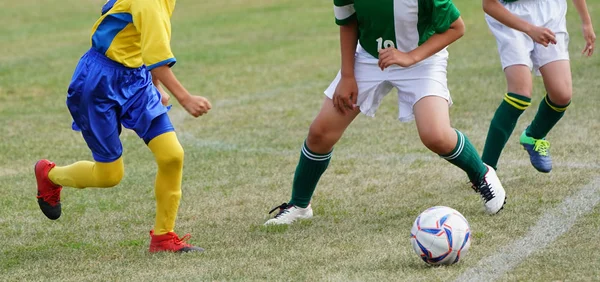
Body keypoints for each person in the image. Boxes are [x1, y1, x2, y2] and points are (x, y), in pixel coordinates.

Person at [265, 0, 507, 225]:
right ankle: (299, 205)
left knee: (436, 135)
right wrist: (348, 75)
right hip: (370, 58)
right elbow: (348, 21)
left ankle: (482, 174)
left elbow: (456, 27)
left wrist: (411, 57)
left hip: (422, 59)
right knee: (321, 132)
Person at [34, 0, 211, 253]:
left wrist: (155, 86)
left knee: (172, 155)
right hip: (98, 81)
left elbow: (141, 39)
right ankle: (49, 175)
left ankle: (164, 237)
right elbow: (157, 56)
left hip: (136, 78)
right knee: (109, 176)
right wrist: (185, 98)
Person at [481, 0, 595, 172]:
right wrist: (529, 29)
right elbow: (489, 5)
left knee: (562, 95)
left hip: (548, 9)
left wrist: (586, 21)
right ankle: (484, 171)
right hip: (510, 13)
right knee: (520, 94)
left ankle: (534, 136)